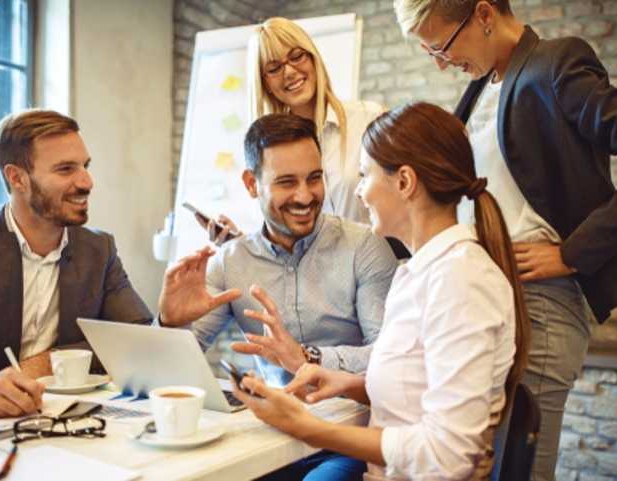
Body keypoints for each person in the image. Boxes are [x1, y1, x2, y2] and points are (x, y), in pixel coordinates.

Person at [392, 1, 617, 480]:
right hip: (489, 298)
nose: (440, 63)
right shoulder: (481, 89)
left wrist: (573, 253)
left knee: (517, 469)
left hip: (540, 303)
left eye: (443, 47)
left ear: (484, 14)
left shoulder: (556, 65)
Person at [232, 102, 530, 481]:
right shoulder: (419, 273)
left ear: (404, 182)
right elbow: (418, 391)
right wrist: (350, 384)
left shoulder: (461, 281)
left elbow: (450, 455)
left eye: (364, 175)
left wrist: (305, 427)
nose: (359, 193)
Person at [0, 109, 196, 419]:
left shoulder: (98, 250)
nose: (87, 182)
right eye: (65, 169)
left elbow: (133, 346)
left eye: (85, 166)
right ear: (17, 177)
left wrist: (168, 321)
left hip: (69, 425)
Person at [159, 113, 397, 389]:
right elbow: (168, 373)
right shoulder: (229, 262)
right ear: (251, 184)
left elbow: (390, 356)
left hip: (353, 417)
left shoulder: (364, 247)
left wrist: (307, 357)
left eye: (314, 178)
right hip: (274, 420)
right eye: (287, 182)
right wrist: (171, 325)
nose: (305, 196)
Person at [205, 18, 410, 256]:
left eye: (297, 56)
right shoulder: (269, 151)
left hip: (380, 271)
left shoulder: (370, 119)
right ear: (265, 84)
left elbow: (408, 202)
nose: (290, 72)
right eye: (274, 69)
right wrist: (240, 242)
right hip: (314, 285)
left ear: (313, 59)